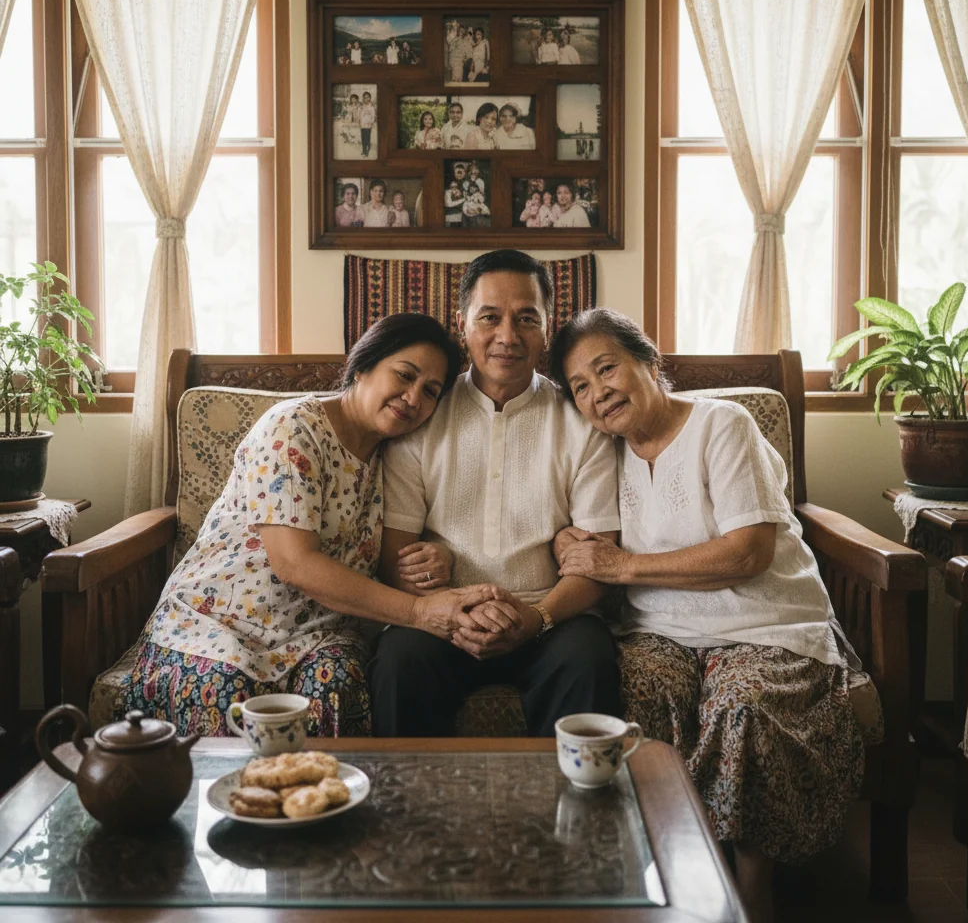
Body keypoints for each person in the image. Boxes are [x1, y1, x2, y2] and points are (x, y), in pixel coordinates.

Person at [548, 308, 865, 923]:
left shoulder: (723, 423)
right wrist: (567, 541)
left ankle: (750, 892)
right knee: (638, 690)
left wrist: (623, 568)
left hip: (763, 623)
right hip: (659, 632)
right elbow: (579, 528)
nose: (598, 393)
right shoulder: (604, 451)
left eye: (606, 368)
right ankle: (661, 871)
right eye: (580, 388)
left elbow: (750, 550)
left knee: (744, 703)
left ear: (649, 361)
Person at [121, 315, 508, 738]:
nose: (413, 397)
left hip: (317, 633)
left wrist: (438, 553)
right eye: (404, 375)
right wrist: (418, 612)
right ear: (363, 365)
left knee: (338, 686)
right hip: (222, 621)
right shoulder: (293, 428)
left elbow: (398, 552)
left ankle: (333, 802)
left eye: (430, 391)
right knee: (221, 687)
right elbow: (294, 563)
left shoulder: (398, 455)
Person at [368, 250, 622, 738]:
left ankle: (574, 814)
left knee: (588, 658)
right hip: (443, 615)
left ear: (547, 330)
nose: (508, 336)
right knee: (399, 661)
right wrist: (448, 603)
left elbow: (598, 562)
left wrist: (535, 617)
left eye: (527, 318)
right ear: (462, 324)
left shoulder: (581, 422)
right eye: (490, 317)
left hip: (553, 619)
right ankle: (410, 813)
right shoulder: (422, 413)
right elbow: (392, 554)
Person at [358, 91, 376, 158]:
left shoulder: (371, 107)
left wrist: (371, 123)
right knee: (363, 138)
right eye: (365, 98)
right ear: (363, 99)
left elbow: (373, 116)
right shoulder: (362, 106)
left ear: (370, 98)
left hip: (368, 125)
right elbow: (360, 115)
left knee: (367, 138)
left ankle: (367, 152)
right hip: (362, 125)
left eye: (368, 97)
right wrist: (359, 121)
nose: (366, 99)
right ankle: (363, 150)